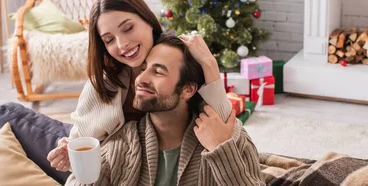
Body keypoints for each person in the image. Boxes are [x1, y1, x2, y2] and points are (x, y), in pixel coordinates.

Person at [47, 0, 231, 172]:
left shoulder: (179, 59)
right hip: (112, 169)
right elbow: (82, 144)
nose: (122, 44)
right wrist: (68, 153)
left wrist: (209, 64)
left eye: (128, 28)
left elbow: (225, 127)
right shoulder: (105, 82)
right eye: (109, 40)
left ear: (148, 21)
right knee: (20, 118)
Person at [65, 34, 264, 185]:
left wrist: (221, 151)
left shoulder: (230, 139)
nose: (141, 79)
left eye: (158, 71)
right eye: (143, 69)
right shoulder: (123, 145)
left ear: (188, 89)